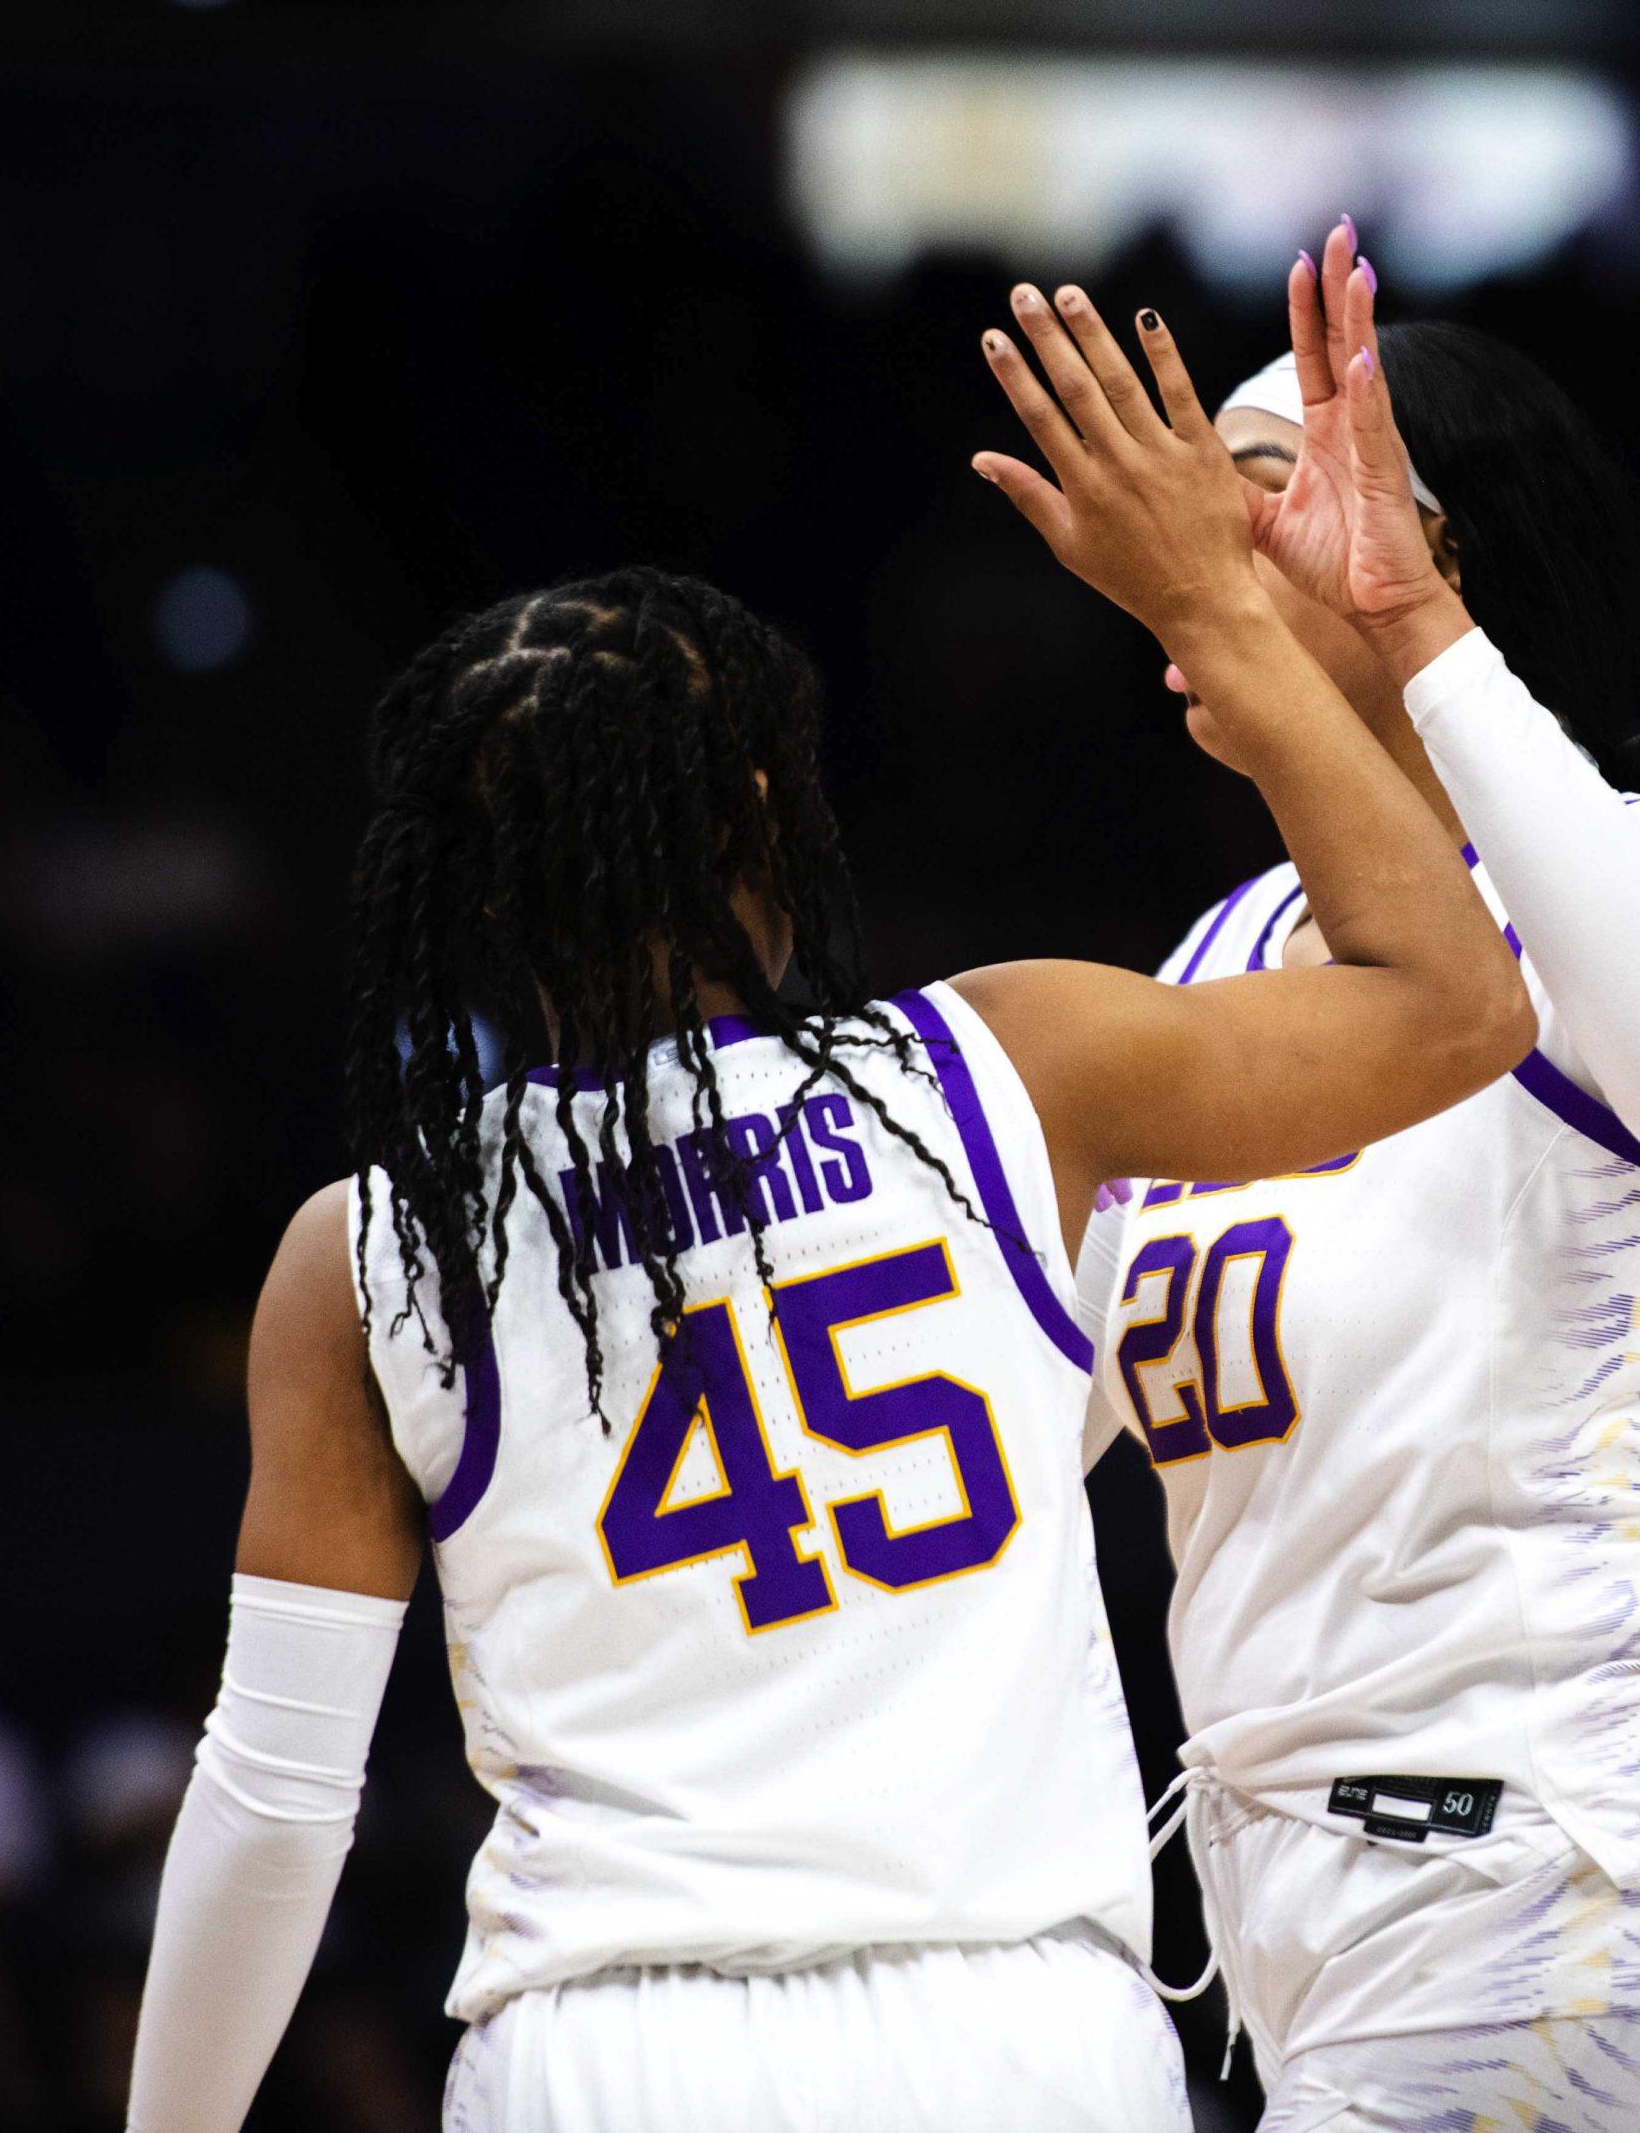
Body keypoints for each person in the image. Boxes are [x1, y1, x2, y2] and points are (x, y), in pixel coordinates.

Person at [123, 341, 1529, 2133]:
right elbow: (1459, 1005)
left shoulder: (375, 1255)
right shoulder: (1001, 1069)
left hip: (619, 2049)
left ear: (458, 895)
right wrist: (1221, 621)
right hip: (1022, 2037)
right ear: (772, 819)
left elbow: (276, 1797)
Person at [1021, 226, 1640, 2132]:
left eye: (1268, 496)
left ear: (1444, 549)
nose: (1209, 551)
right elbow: (1023, 1414)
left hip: (1620, 1884)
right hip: (1353, 1931)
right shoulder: (1222, 951)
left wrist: (1419, 638)